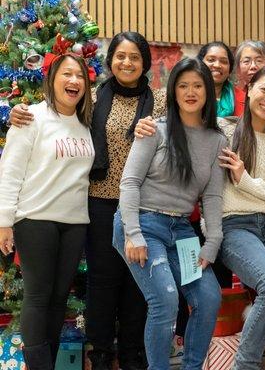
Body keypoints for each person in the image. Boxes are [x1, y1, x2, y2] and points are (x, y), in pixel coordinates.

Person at [135, 65, 265, 370]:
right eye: (264, 90)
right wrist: (148, 125)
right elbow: (183, 114)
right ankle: (245, 365)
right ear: (248, 90)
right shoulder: (222, 131)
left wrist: (246, 180)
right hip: (235, 225)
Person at [9, 31, 166, 370]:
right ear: (110, 62)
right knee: (98, 285)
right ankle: (99, 354)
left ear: (145, 64)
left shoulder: (159, 101)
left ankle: (131, 354)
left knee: (136, 287)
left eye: (135, 57)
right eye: (120, 56)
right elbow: (23, 157)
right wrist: (16, 113)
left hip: (136, 208)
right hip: (93, 206)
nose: (127, 62)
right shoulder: (90, 99)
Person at [113, 57, 225, 370]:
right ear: (173, 92)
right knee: (164, 299)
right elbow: (130, 183)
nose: (191, 92)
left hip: (182, 233)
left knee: (209, 298)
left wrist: (212, 241)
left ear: (207, 92)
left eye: (198, 86)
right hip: (142, 223)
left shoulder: (217, 140)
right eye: (183, 85)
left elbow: (213, 196)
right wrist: (133, 233)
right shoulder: (154, 130)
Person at [0, 54, 95, 370]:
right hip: (35, 218)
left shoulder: (85, 123)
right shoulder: (31, 118)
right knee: (39, 297)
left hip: (74, 222)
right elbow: (10, 171)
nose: (74, 81)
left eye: (80, 75)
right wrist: (4, 221)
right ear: (52, 78)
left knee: (57, 300)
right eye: (67, 74)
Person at [197, 41, 238, 116]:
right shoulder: (188, 94)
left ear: (230, 69)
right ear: (199, 64)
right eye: (211, 60)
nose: (217, 65)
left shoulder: (241, 98)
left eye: (223, 61)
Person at [233, 39, 265, 116]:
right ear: (238, 69)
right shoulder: (230, 96)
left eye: (259, 60)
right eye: (246, 61)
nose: (253, 66)